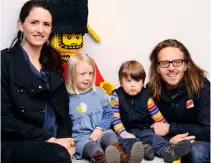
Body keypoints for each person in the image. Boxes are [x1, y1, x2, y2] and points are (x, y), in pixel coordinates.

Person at [1, 0, 75, 162]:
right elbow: (3, 118)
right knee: (58, 155)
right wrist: (50, 140)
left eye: (46, 24)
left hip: (55, 141)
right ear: (21, 25)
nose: (40, 30)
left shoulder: (54, 61)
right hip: (17, 142)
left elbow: (63, 110)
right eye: (34, 22)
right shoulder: (4, 62)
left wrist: (65, 139)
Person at [66, 53, 145, 163]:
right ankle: (103, 159)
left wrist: (100, 128)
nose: (87, 77)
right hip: (81, 138)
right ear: (71, 74)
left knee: (110, 137)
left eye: (90, 73)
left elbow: (109, 113)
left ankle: (123, 156)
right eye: (82, 74)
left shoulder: (98, 92)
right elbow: (61, 122)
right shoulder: (66, 98)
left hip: (101, 131)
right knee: (94, 149)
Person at [111, 60, 193, 163]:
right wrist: (123, 132)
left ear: (142, 82)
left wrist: (169, 132)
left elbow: (157, 116)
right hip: (125, 130)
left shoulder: (146, 96)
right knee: (122, 140)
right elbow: (115, 118)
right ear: (121, 82)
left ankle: (167, 151)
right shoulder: (116, 96)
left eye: (137, 81)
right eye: (128, 81)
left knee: (153, 137)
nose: (133, 85)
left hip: (144, 129)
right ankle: (143, 149)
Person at [148, 39, 210, 163]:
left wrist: (170, 129)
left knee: (196, 151)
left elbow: (208, 130)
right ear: (158, 68)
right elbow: (147, 126)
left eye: (177, 62)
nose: (171, 68)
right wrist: (169, 140)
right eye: (164, 63)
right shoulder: (150, 90)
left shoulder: (202, 87)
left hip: (198, 141)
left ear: (186, 65)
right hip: (167, 141)